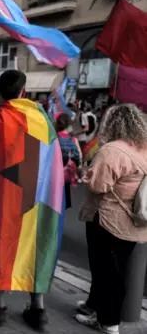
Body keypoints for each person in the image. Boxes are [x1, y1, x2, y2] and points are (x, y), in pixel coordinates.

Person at [0, 69, 64, 331]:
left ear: (0, 93)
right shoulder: (43, 119)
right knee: (36, 245)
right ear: (23, 92)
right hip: (40, 199)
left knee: (1, 243)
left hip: (4, 196)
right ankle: (39, 311)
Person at [75, 103, 147, 334]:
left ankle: (108, 321)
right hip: (134, 221)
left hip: (108, 219)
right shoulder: (144, 147)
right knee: (117, 269)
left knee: (106, 271)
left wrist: (86, 173)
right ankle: (93, 305)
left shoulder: (111, 150)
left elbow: (98, 185)